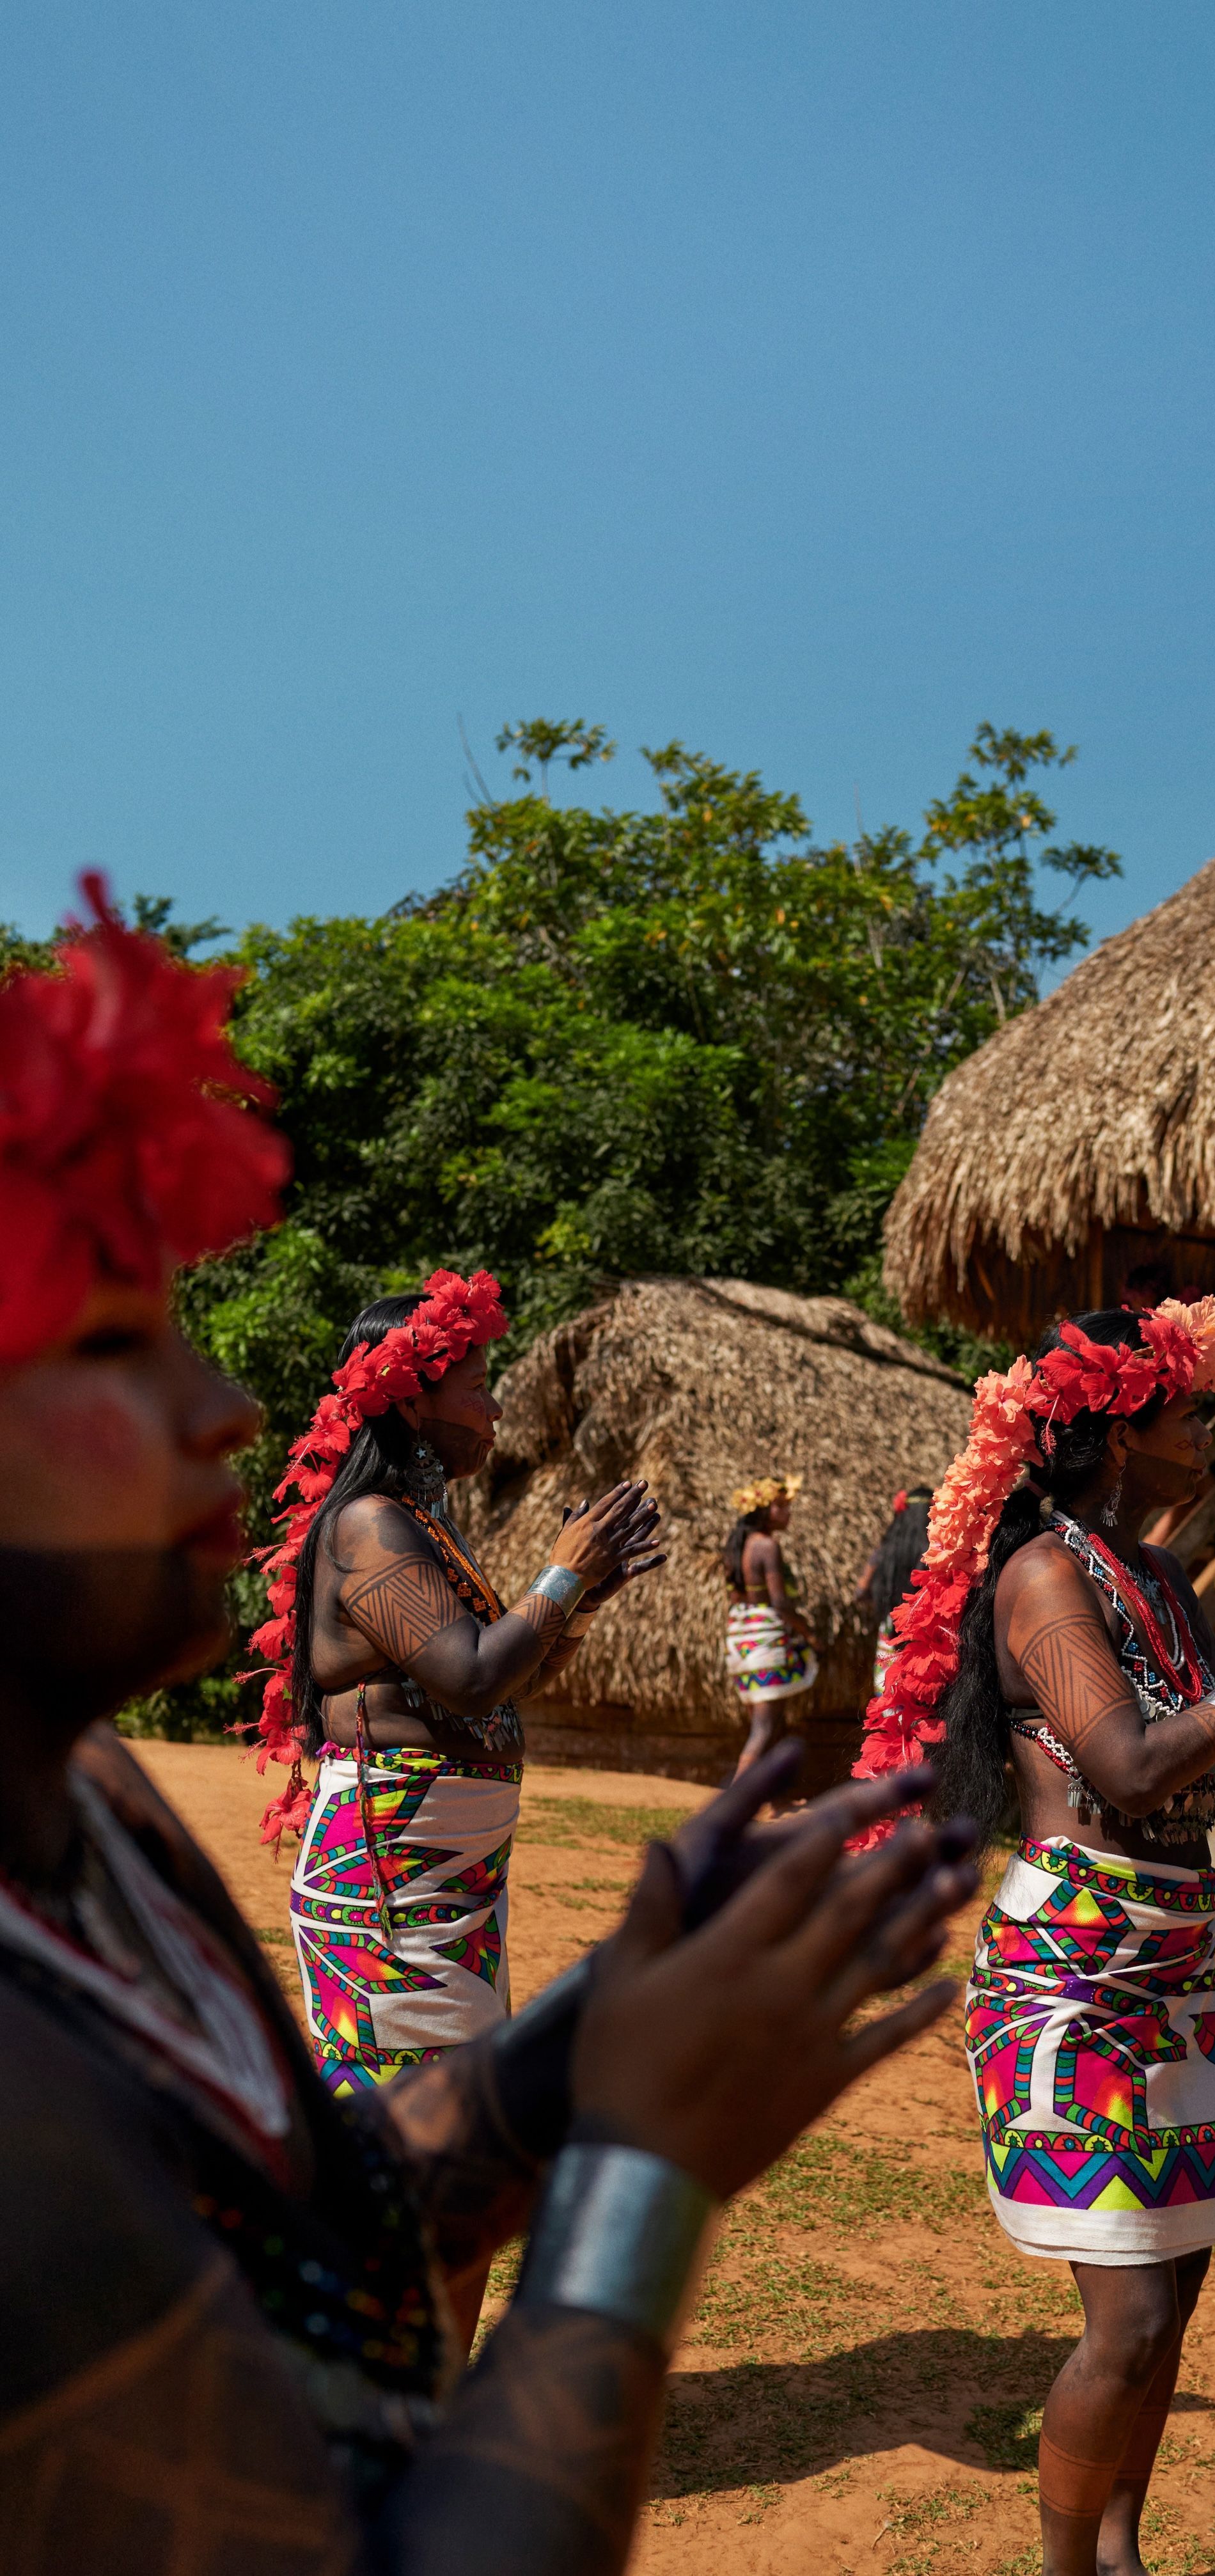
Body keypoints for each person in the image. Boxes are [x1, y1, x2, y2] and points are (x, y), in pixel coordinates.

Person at [0, 884, 979, 2571]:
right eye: (112, 1345)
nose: (222, 1401)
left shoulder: (86, 1807)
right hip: (392, 1874)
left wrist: (600, 2040)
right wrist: (645, 2177)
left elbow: (329, 2219)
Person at [857, 1301, 1215, 2576]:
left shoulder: (1147, 1572)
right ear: (1118, 1428)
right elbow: (1131, 1765)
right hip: (1073, 1971)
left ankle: (1118, 2549)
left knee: (1175, 2294)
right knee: (1131, 2307)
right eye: (1191, 1409)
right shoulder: (1045, 1572)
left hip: (1170, 1968)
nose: (1208, 1428)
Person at [256, 1276, 666, 2126]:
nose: (493, 1413)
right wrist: (561, 1572)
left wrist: (582, 1600)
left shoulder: (420, 1527)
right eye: (478, 1389)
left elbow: (503, 1689)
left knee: (456, 2155)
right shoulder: (369, 1524)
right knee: (421, 2162)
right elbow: (473, 1673)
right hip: (391, 1890)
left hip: (446, 1885)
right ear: (411, 1403)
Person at [723, 1472, 818, 1776]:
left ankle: (766, 1799)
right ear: (764, 1510)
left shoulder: (737, 1547)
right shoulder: (766, 1546)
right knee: (763, 1729)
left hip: (741, 1637)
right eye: (781, 1505)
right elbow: (780, 1603)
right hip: (765, 1641)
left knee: (765, 1723)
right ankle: (735, 1801)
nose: (788, 1512)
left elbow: (736, 1597)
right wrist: (809, 1633)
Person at [857, 1484, 934, 1699]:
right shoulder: (938, 1550)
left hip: (891, 1633)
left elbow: (860, 1592)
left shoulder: (886, 1551)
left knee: (893, 1704)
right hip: (928, 1636)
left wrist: (885, 1600)